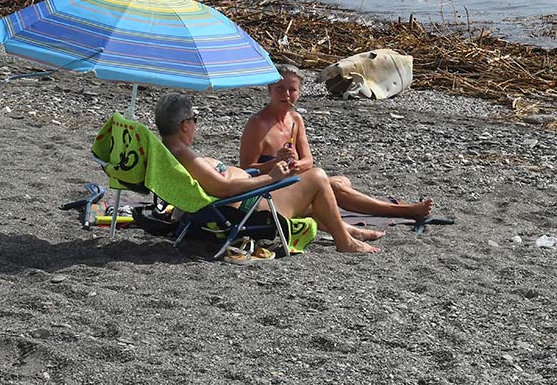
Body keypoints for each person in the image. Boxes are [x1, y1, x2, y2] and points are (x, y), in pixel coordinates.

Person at [154, 91, 383, 254]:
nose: (195, 125)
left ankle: (347, 230)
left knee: (323, 188)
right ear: (185, 125)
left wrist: (261, 173)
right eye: (195, 120)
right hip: (244, 206)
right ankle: (345, 241)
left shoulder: (170, 152)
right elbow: (224, 188)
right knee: (318, 177)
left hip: (240, 200)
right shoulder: (183, 155)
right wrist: (271, 177)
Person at [239, 63, 433, 221]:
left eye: (292, 90)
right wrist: (275, 163)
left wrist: (297, 164)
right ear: (269, 89)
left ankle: (387, 207)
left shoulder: (295, 119)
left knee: (342, 181)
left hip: (295, 182)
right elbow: (246, 170)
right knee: (336, 187)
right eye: (280, 89)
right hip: (273, 193)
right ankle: (402, 210)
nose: (287, 95)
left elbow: (308, 161)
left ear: (299, 93)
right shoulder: (258, 124)